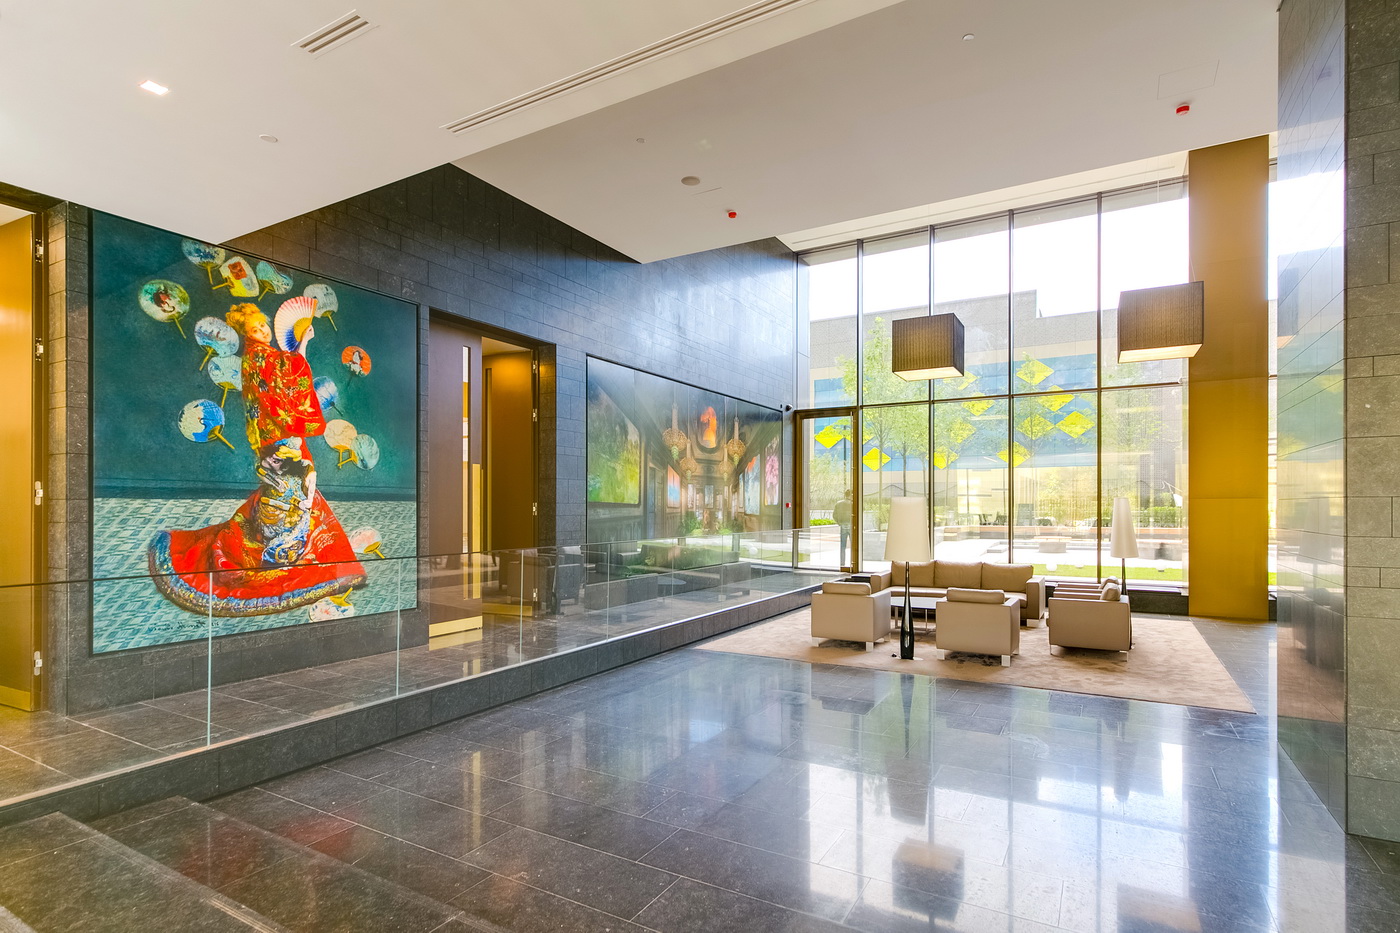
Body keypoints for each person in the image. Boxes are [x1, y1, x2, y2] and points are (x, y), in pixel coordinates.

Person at [149, 302, 366, 617]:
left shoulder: (257, 357)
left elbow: (288, 376)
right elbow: (292, 374)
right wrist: (304, 343)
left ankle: (308, 555)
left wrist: (301, 344)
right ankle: (293, 558)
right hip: (279, 438)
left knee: (297, 491)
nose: (262, 331)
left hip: (273, 437)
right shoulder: (259, 357)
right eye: (255, 329)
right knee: (295, 490)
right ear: (246, 333)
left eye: (263, 325)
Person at [833, 489, 853, 567]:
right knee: (854, 546)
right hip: (852, 526)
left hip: (843, 526)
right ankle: (853, 562)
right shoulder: (853, 504)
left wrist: (840, 523)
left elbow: (834, 515)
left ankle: (842, 563)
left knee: (842, 546)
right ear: (851, 495)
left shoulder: (839, 504)